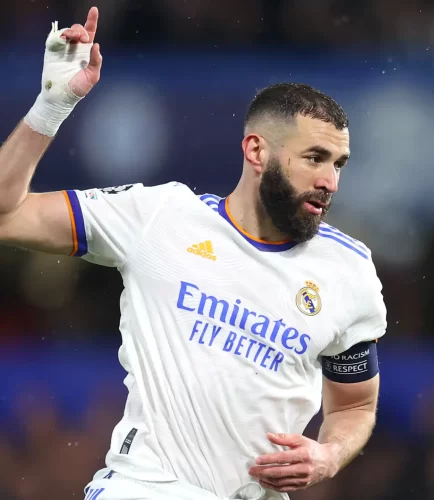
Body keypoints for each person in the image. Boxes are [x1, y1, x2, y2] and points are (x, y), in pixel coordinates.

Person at [0, 7, 387, 500]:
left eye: (339, 164)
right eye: (315, 158)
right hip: (144, 489)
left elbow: (354, 406)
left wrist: (329, 455)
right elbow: (6, 215)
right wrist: (51, 107)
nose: (330, 181)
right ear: (256, 151)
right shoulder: (158, 216)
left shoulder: (349, 271)